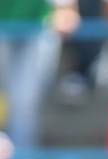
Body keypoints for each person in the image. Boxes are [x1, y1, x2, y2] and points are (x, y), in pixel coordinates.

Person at [0, 0, 80, 148]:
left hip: (35, 30)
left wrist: (65, 13)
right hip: (4, 29)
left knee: (25, 103)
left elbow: (67, 12)